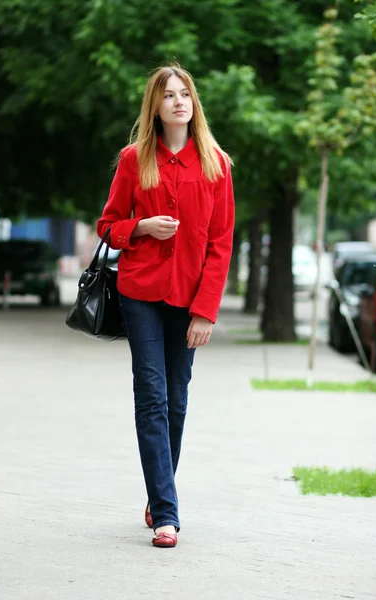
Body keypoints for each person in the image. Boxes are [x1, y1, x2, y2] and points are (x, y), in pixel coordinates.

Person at [97, 64, 235, 548]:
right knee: (151, 395)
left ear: (193, 102)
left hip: (189, 297)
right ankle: (167, 514)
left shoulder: (216, 163)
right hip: (141, 292)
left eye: (184, 94)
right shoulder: (134, 160)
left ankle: (158, 495)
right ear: (154, 107)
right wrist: (140, 227)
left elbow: (221, 244)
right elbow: (107, 224)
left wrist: (207, 309)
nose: (178, 101)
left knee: (176, 399)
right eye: (168, 95)